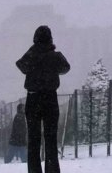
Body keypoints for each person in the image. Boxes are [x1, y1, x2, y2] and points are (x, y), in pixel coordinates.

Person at [13, 26, 71, 173]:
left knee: (33, 140)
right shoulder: (54, 55)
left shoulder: (31, 55)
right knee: (51, 139)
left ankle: (34, 171)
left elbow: (20, 65)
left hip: (33, 98)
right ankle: (52, 170)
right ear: (50, 38)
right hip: (50, 99)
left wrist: (34, 50)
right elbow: (66, 67)